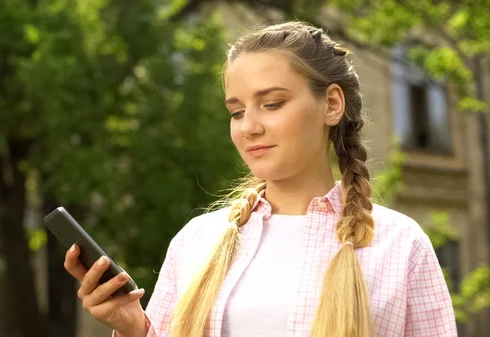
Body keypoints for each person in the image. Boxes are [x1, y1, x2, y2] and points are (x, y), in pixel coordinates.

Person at [64, 21, 457, 337]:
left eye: (271, 104)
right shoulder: (197, 242)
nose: (248, 127)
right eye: (236, 112)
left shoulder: (400, 246)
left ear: (331, 104)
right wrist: (133, 328)